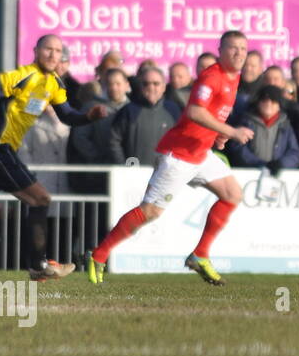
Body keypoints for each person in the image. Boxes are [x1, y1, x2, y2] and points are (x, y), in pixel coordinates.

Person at [85, 31, 254, 287]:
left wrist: (219, 134)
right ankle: (98, 255)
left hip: (201, 151)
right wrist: (230, 131)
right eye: (233, 48)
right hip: (180, 154)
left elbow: (213, 113)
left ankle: (200, 255)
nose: (239, 53)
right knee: (151, 211)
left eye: (243, 48)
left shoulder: (235, 76)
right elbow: (195, 111)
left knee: (232, 194)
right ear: (220, 50)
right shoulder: (212, 76)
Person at [0, 35, 107, 280]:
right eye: (48, 49)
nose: (52, 54)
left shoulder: (55, 84)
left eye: (58, 51)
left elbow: (67, 115)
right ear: (36, 51)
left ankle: (38, 265)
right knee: (40, 199)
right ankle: (37, 265)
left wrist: (89, 116)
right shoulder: (23, 75)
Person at [109, 66, 180, 167]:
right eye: (146, 84)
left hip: (164, 175)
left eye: (156, 84)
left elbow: (181, 141)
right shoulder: (128, 110)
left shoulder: (173, 110)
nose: (151, 87)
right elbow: (114, 140)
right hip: (135, 174)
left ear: (164, 87)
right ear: (140, 86)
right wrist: (124, 166)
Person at [227, 84, 299, 173]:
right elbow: (237, 148)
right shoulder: (246, 122)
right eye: (264, 100)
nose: (268, 103)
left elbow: (294, 152)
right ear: (258, 102)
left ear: (279, 105)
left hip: (277, 175)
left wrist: (280, 164)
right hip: (250, 174)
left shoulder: (286, 125)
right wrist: (258, 163)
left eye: (273, 100)